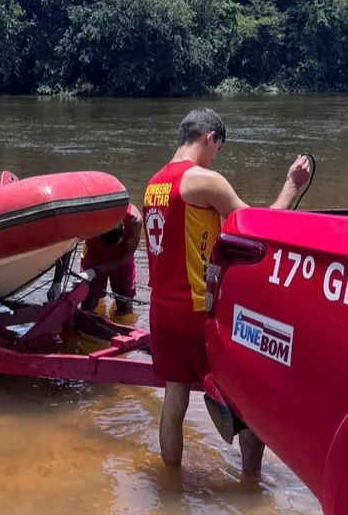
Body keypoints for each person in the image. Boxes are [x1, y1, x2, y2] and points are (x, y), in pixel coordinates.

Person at [143, 107, 312, 473]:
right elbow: (256, 230)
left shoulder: (154, 184)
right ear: (209, 138)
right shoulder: (203, 180)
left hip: (162, 309)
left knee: (175, 399)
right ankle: (251, 487)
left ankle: (171, 487)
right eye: (218, 148)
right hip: (198, 311)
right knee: (247, 394)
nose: (216, 156)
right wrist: (292, 186)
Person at [79, 203, 143, 315]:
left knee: (124, 303)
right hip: (95, 253)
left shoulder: (134, 220)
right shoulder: (87, 216)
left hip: (121, 256)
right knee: (88, 303)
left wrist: (95, 272)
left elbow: (127, 256)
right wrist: (57, 282)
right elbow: (68, 244)